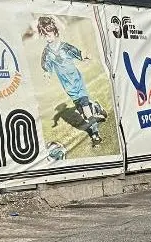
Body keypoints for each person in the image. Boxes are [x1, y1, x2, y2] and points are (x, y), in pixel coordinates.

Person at [36, 16, 105, 147]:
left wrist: (85, 56)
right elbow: (47, 65)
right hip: (68, 87)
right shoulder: (47, 52)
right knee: (81, 109)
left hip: (77, 81)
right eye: (45, 35)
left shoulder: (65, 47)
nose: (47, 38)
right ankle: (96, 107)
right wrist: (47, 73)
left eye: (49, 34)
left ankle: (95, 135)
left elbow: (78, 53)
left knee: (85, 109)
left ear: (55, 32)